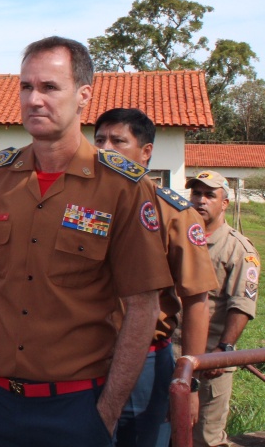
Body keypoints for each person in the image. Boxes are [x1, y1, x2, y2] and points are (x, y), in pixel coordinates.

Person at [0, 36, 174, 447]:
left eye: (49, 87)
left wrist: (108, 410)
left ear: (83, 96)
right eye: (26, 87)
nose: (34, 99)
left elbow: (142, 307)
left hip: (77, 408)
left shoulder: (122, 187)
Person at [93, 108, 217, 447]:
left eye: (118, 141)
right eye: (99, 140)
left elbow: (196, 299)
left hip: (144, 360)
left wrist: (189, 380)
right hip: (83, 354)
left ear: (145, 152)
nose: (105, 149)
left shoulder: (172, 213)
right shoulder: (78, 204)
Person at [186, 170, 259, 447]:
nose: (200, 200)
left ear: (224, 203)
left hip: (209, 362)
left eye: (209, 195)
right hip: (172, 356)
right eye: (196, 193)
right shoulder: (181, 238)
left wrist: (224, 349)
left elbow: (242, 304)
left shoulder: (238, 249)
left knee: (205, 438)